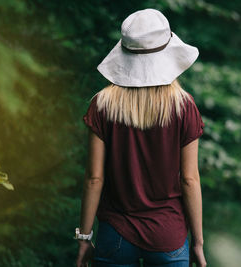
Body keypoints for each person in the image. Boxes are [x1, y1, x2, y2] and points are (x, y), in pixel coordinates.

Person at [75, 8, 207, 267]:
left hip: (115, 235)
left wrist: (84, 237)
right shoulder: (183, 106)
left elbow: (94, 178)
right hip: (168, 236)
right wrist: (198, 243)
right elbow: (189, 179)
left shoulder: (102, 105)